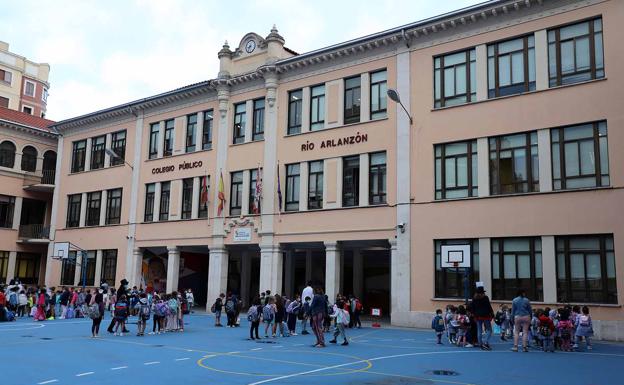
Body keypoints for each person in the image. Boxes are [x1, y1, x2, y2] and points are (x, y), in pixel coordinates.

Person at [471, 286, 494, 350]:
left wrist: (474, 315)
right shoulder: (485, 298)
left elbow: (472, 307)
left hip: (477, 316)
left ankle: (480, 343)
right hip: (485, 315)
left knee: (479, 330)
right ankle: (486, 342)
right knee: (489, 330)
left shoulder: (474, 298)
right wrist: (492, 313)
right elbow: (489, 306)